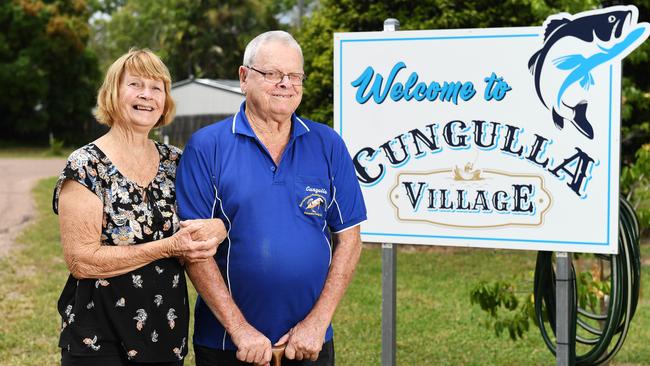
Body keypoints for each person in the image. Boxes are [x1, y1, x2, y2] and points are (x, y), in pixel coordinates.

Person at [176, 31, 367, 366]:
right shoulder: (206, 147)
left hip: (309, 343)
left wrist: (317, 323)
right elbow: (194, 250)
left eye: (294, 76)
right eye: (272, 74)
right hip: (227, 345)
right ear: (244, 77)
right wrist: (239, 330)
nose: (286, 83)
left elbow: (349, 239)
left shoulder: (327, 144)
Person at [53, 48, 224, 366]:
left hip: (164, 330)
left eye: (156, 87)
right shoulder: (86, 165)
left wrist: (218, 226)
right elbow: (82, 261)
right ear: (112, 94)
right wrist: (168, 246)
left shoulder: (176, 161)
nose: (147, 95)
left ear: (165, 101)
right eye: (135, 84)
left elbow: (209, 217)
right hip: (98, 337)